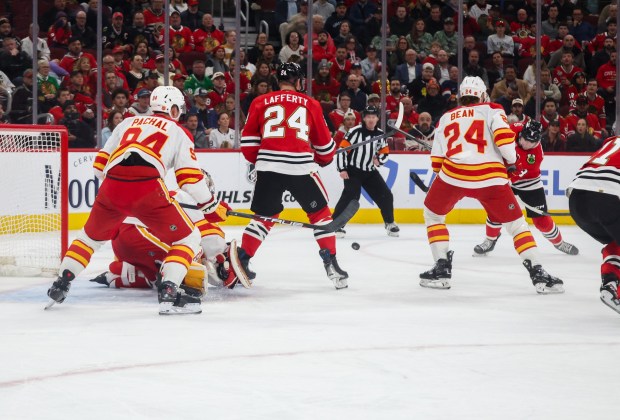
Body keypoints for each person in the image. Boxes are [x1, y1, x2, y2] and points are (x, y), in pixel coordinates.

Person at [46, 86, 221, 315]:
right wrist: (211, 206)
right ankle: (169, 291)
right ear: (173, 108)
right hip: (148, 188)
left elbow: (99, 166)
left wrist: (121, 192)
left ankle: (61, 283)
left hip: (111, 188)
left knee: (88, 239)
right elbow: (189, 179)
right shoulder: (178, 131)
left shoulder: (126, 123)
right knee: (189, 238)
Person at [419, 76, 564, 294]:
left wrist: (446, 181)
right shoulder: (492, 108)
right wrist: (512, 163)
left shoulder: (446, 117)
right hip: (491, 177)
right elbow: (505, 141)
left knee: (433, 215)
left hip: (453, 175)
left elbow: (437, 162)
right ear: (482, 94)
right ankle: (538, 272)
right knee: (516, 225)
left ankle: (441, 268)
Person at [232, 62, 347, 290]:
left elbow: (248, 145)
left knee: (265, 215)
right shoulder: (311, 104)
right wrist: (321, 158)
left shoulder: (259, 101)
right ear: (298, 81)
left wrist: (263, 160)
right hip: (300, 168)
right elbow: (325, 148)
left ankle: (243, 259)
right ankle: (331, 262)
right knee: (320, 213)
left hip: (267, 167)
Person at [473, 120, 579, 257]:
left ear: (538, 141)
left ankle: (559, 243)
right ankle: (490, 240)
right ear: (521, 133)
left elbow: (515, 176)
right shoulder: (513, 129)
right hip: (506, 175)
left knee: (541, 221)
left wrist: (503, 179)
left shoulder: (536, 156)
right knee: (495, 212)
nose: (526, 144)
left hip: (529, 182)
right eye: (524, 139)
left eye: (531, 143)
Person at [568, 136, 620, 314]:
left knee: (614, 242)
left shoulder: (613, 140)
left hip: (576, 201)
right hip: (608, 197)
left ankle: (610, 282)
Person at [333, 105, 399, 238]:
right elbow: (342, 150)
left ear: (377, 118)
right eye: (368, 117)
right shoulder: (354, 132)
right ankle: (337, 224)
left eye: (373, 117)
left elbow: (384, 151)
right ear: (363, 118)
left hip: (370, 171)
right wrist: (343, 168)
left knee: (386, 195)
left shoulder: (380, 134)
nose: (371, 119)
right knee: (351, 198)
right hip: (353, 171)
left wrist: (379, 160)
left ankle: (389, 222)